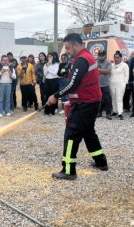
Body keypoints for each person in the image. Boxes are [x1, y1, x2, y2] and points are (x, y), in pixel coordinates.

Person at [47, 33, 108, 180]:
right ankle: (101, 162)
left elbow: (72, 83)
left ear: (75, 44)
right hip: (90, 101)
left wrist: (55, 96)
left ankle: (68, 170)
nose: (67, 51)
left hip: (85, 103)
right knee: (88, 132)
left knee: (71, 134)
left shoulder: (82, 59)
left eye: (67, 48)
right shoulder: (85, 57)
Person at [109, 51, 129, 120]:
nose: (116, 59)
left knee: (119, 98)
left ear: (121, 58)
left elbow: (127, 75)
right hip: (112, 83)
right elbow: (109, 74)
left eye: (117, 57)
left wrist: (125, 83)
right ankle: (114, 111)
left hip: (120, 83)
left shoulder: (124, 65)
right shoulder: (111, 65)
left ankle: (120, 113)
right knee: (113, 98)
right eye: (115, 57)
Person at [96, 50, 113, 119]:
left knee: (107, 99)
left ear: (105, 56)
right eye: (99, 55)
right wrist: (103, 70)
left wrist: (99, 70)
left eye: (102, 55)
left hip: (105, 84)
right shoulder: (96, 62)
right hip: (97, 84)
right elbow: (94, 71)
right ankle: (99, 112)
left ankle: (108, 113)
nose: (100, 57)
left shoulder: (108, 62)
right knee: (99, 99)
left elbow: (108, 71)